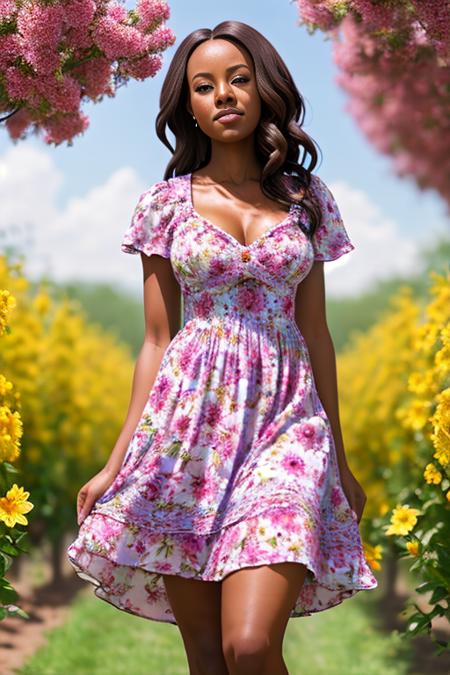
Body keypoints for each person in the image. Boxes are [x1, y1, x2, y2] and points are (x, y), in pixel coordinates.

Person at [67, 20, 378, 675]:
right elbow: (156, 339)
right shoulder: (163, 204)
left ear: (265, 91)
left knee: (250, 645)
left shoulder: (306, 199)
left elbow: (316, 331)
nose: (224, 95)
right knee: (209, 658)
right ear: (189, 109)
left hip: (288, 426)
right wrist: (115, 461)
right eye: (204, 87)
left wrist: (341, 461)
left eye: (238, 79)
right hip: (186, 438)